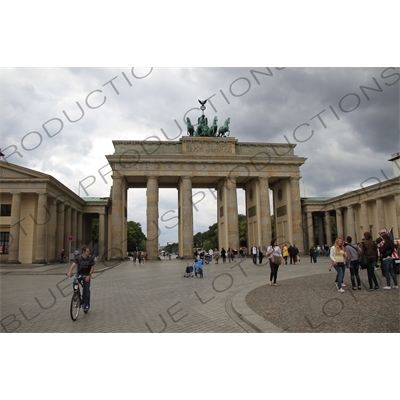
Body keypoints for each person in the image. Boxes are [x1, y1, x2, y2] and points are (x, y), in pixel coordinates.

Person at [66, 245, 95, 313]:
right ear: (84, 252)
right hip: (79, 274)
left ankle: (86, 305)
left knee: (86, 290)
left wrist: (89, 276)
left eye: (89, 251)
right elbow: (73, 265)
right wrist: (69, 272)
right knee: (74, 281)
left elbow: (92, 268)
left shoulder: (90, 258)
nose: (89, 252)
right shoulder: (78, 258)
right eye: (87, 251)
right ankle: (76, 295)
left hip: (86, 275)